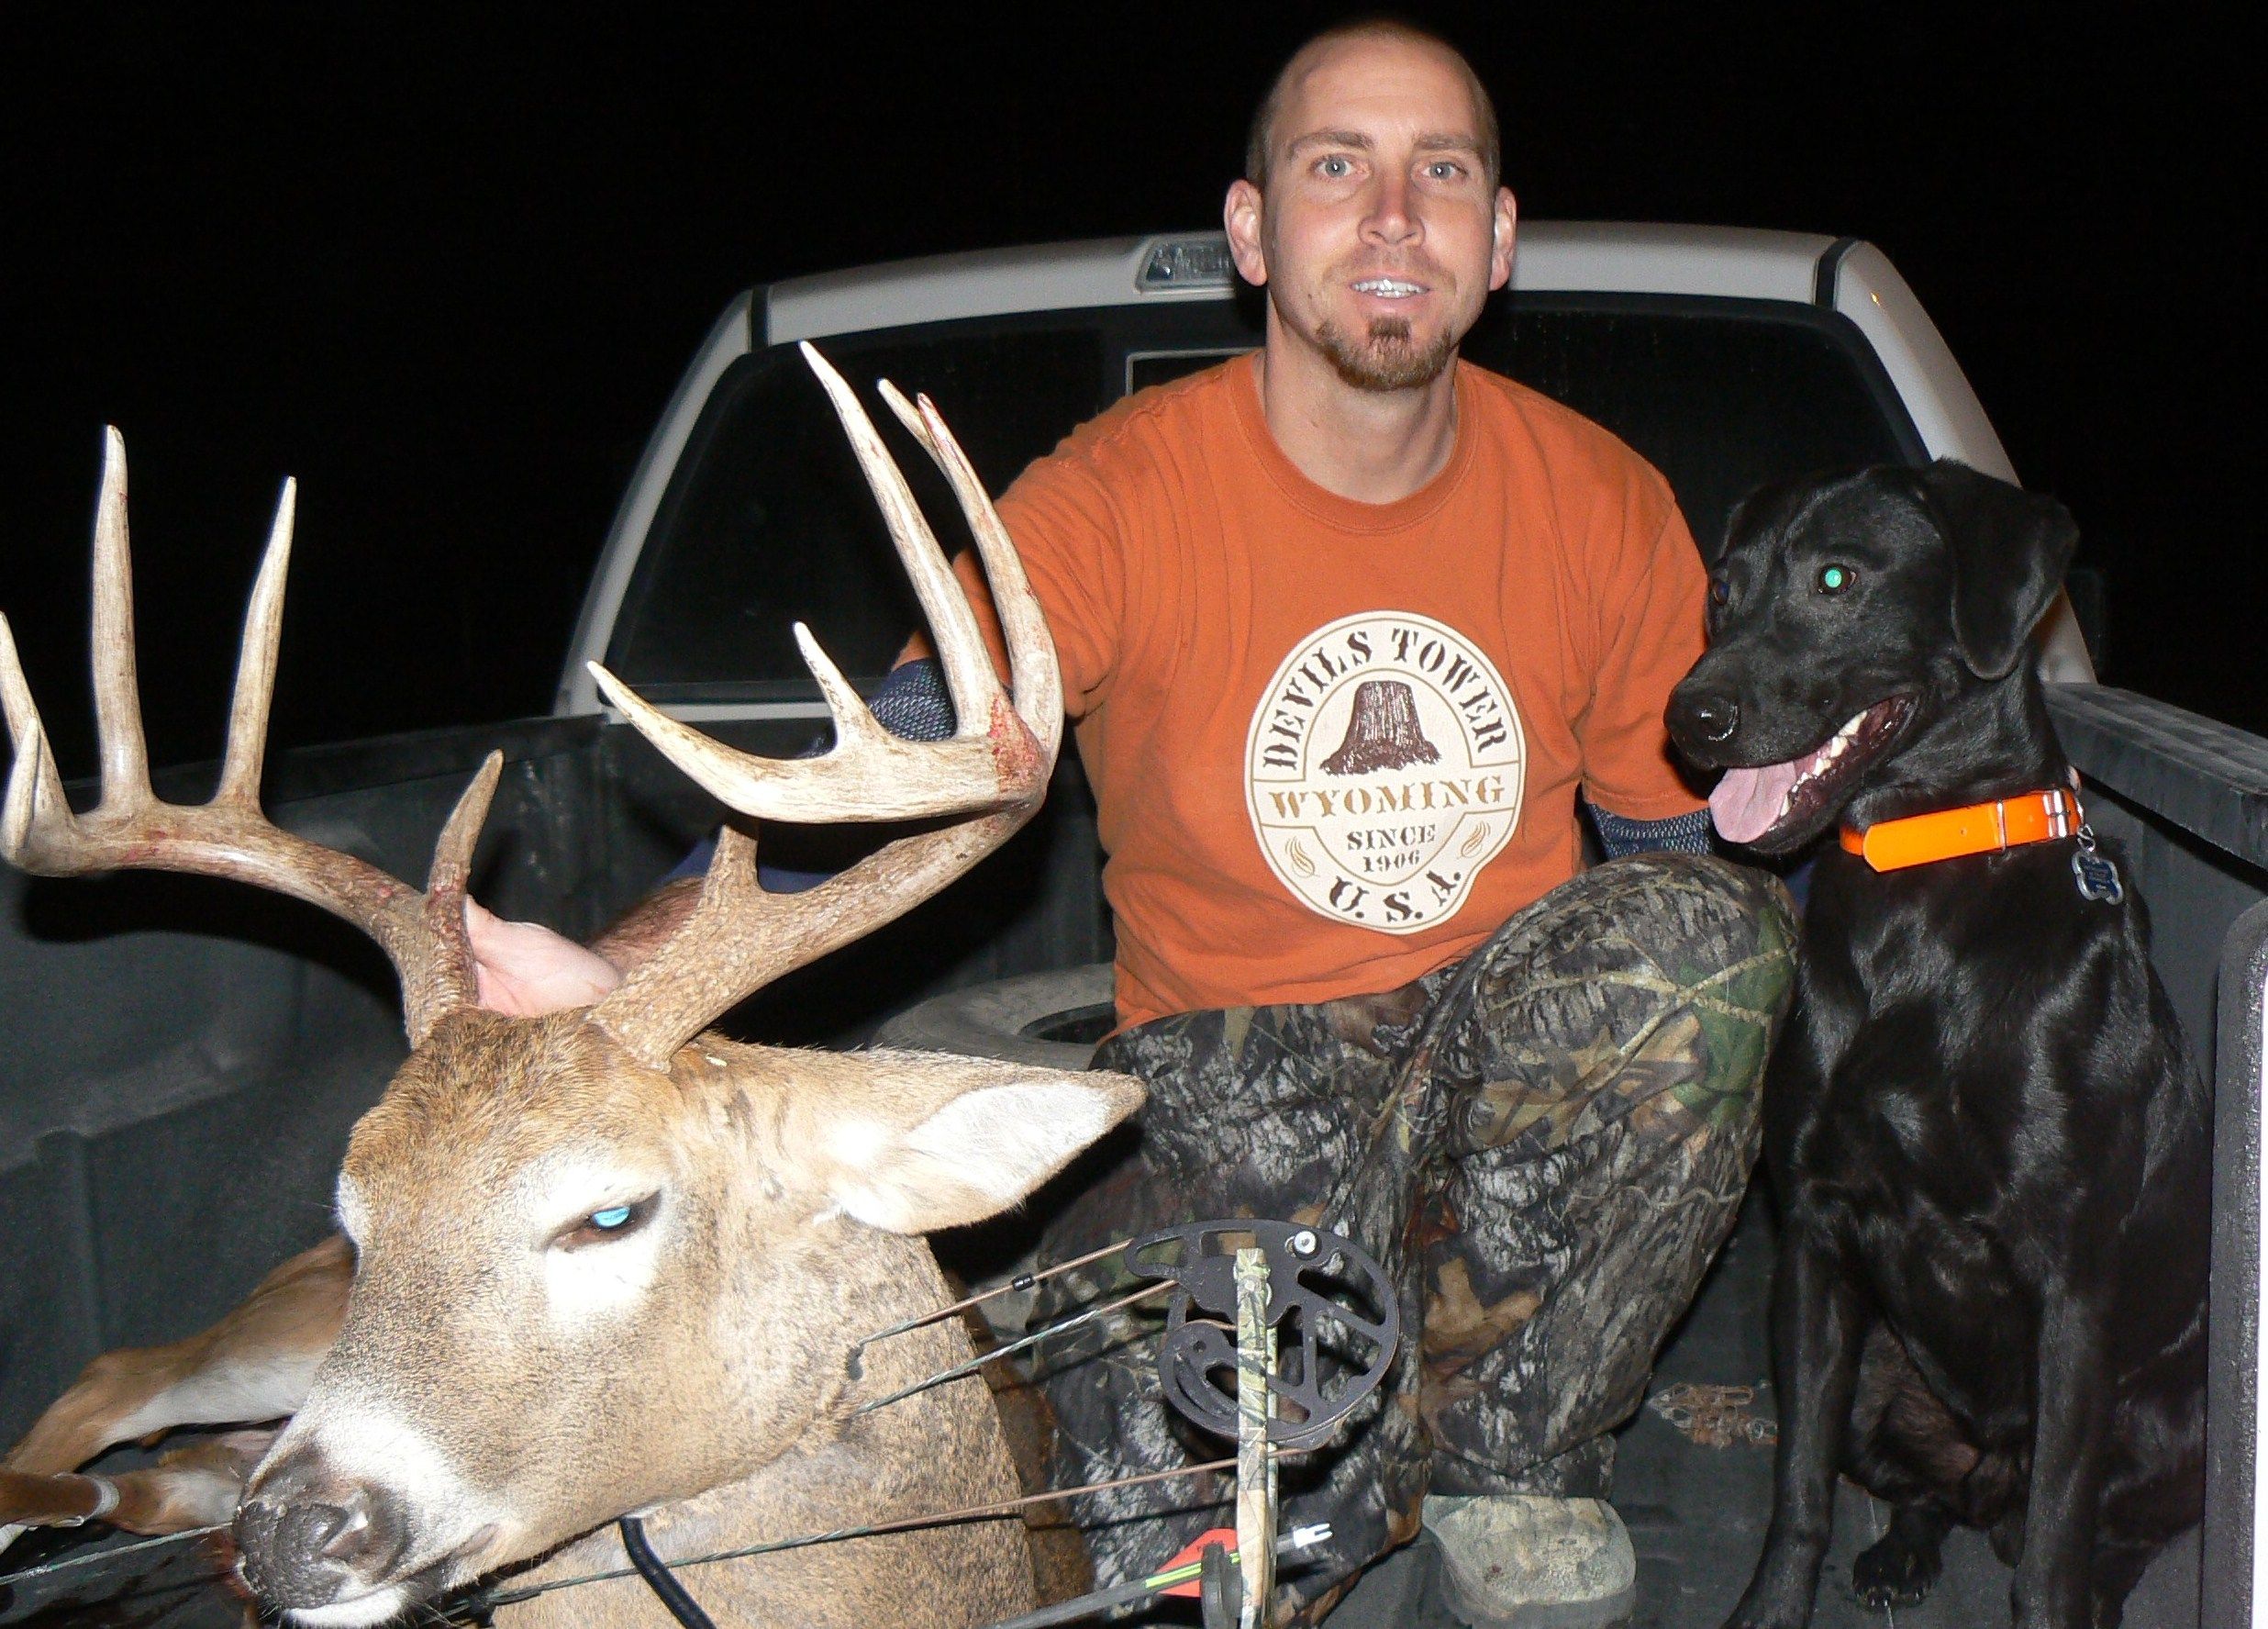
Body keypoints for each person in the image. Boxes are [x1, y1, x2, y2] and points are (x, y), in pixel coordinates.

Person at [472, 21, 1794, 1627]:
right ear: (1252, 232)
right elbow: (909, 757)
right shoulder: (1114, 500)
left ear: (1496, 239)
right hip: (1231, 1078)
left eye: (1441, 172)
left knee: (1715, 951)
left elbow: (1670, 874)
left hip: (1492, 1060)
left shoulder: (1599, 501)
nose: (1393, 216)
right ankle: (1351, 1443)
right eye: (1336, 167)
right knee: (1214, 1550)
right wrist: (624, 974)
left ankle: (1516, 1460)